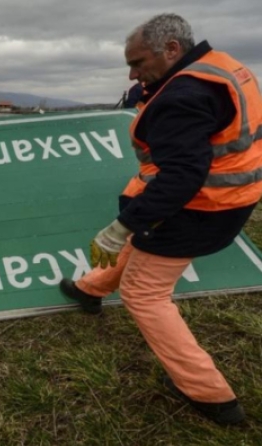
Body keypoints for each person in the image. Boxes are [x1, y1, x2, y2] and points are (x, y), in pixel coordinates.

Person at [59, 13, 262, 425]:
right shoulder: (223, 67)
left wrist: (122, 226)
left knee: (144, 293)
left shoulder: (182, 96)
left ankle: (210, 395)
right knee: (142, 246)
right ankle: (89, 289)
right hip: (234, 198)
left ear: (172, 49)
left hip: (199, 209)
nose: (134, 73)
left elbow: (182, 178)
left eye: (138, 62)